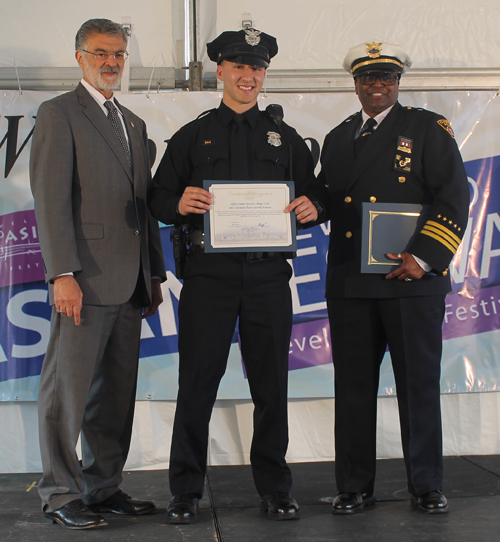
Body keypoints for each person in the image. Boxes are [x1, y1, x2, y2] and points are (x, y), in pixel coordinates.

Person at [149, 28, 321, 524]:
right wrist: (178, 205)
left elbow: (315, 195)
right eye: (239, 66)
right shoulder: (191, 135)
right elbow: (159, 197)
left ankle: (275, 488)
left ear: (265, 75)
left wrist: (315, 205)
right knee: (197, 385)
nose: (249, 76)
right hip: (209, 277)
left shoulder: (286, 139)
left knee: (272, 387)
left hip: (268, 278)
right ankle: (185, 491)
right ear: (220, 71)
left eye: (258, 68)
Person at [318, 41, 470, 515]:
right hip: (351, 283)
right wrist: (305, 207)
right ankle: (355, 485)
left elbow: (453, 196)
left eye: (386, 77)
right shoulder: (339, 136)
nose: (377, 85)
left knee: (417, 384)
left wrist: (423, 258)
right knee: (353, 389)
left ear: (399, 82)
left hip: (411, 282)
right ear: (355, 85)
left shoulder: (427, 128)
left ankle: (425, 484)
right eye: (367, 79)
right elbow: (327, 196)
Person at [30, 18, 166, 530]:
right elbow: (51, 200)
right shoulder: (58, 113)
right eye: (101, 53)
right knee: (66, 392)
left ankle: (103, 486)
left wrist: (152, 275)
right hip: (82, 281)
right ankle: (61, 493)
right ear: (80, 56)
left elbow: (143, 205)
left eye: (119, 55)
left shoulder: (132, 122)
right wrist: (61, 272)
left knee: (115, 394)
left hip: (131, 283)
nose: (111, 62)